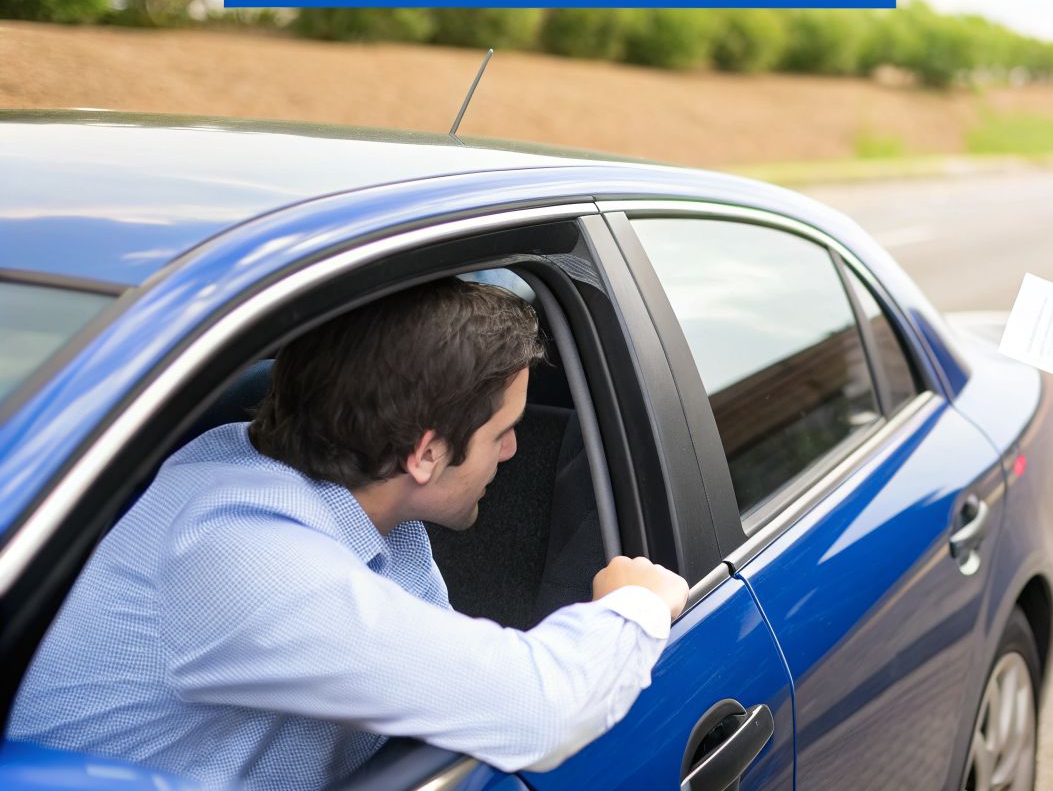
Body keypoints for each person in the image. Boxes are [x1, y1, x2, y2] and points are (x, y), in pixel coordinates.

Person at [8, 277, 690, 790]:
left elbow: (442, 674)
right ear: (424, 454)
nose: (512, 453)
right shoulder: (245, 561)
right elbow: (539, 711)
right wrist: (637, 601)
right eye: (502, 432)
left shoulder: (337, 497)